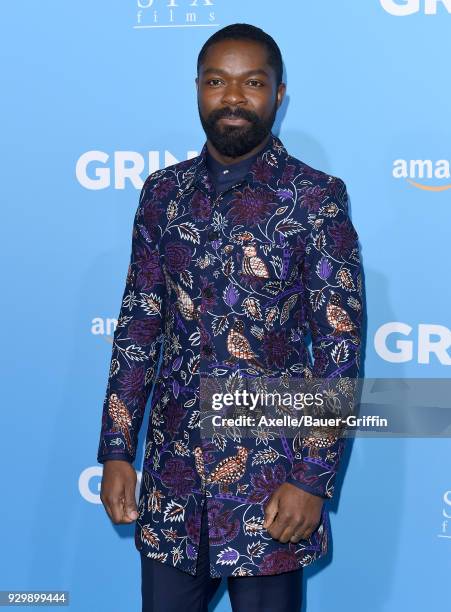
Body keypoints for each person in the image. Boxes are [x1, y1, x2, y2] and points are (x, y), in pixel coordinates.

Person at [97, 23, 364, 612]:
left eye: (252, 83)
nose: (234, 98)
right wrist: (117, 451)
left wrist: (311, 478)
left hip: (272, 485)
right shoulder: (162, 195)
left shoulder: (314, 199)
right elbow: (139, 325)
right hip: (172, 482)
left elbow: (339, 350)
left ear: (278, 94)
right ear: (198, 89)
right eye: (218, 82)